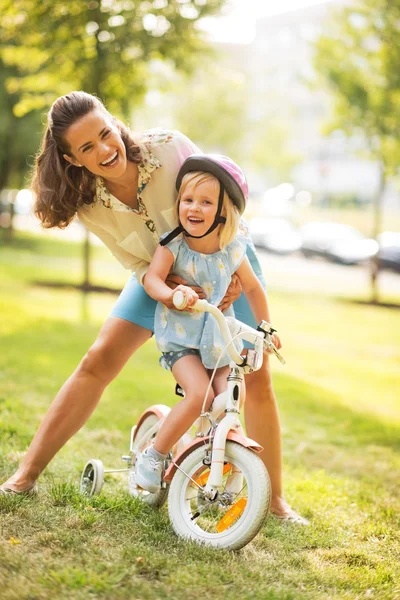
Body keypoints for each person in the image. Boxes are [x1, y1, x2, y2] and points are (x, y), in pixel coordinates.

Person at [0, 91, 307, 524]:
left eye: (106, 133)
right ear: (71, 159)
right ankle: (25, 474)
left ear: (114, 121)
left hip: (225, 269)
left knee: (254, 377)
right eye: (87, 147)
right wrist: (168, 288)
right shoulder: (88, 204)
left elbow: (226, 196)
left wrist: (229, 278)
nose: (106, 149)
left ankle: (274, 501)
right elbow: (138, 265)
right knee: (96, 360)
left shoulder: (169, 148)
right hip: (158, 277)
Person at [135, 154, 282, 494]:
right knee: (198, 393)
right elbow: (153, 280)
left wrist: (267, 329)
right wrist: (172, 295)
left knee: (232, 397)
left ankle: (212, 452)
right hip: (181, 341)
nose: (194, 209)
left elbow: (254, 287)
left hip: (218, 344)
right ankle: (153, 456)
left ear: (222, 211)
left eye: (205, 202)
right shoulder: (174, 244)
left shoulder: (231, 249)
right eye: (188, 200)